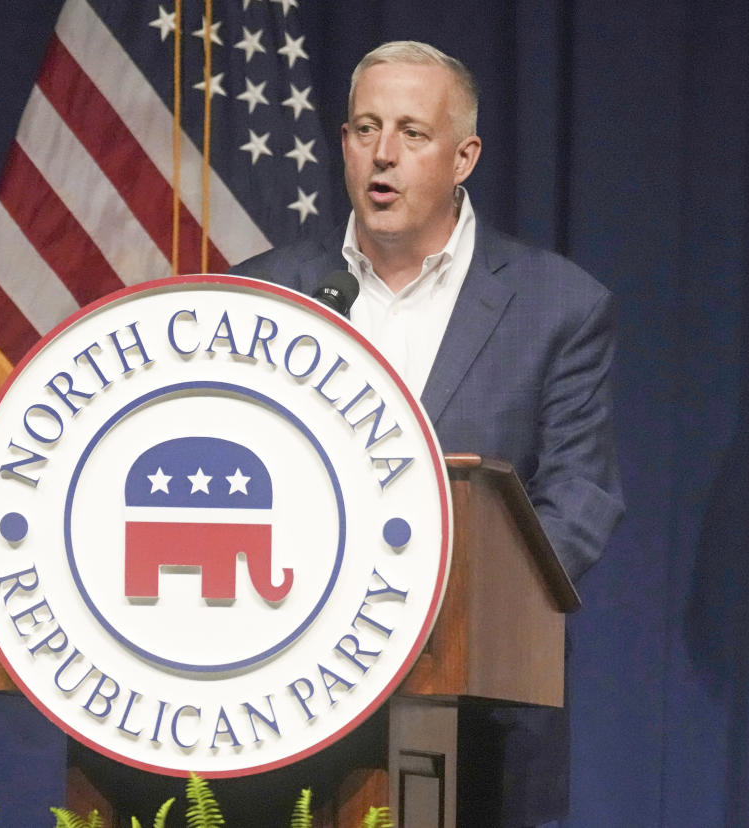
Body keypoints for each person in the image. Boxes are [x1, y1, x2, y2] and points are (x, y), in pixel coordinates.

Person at [234, 40, 624, 824]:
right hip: (282, 703)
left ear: (463, 157)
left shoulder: (557, 306)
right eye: (365, 128)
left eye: (412, 134)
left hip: (478, 709)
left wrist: (440, 602)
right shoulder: (264, 292)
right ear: (342, 142)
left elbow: (579, 500)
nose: (383, 154)